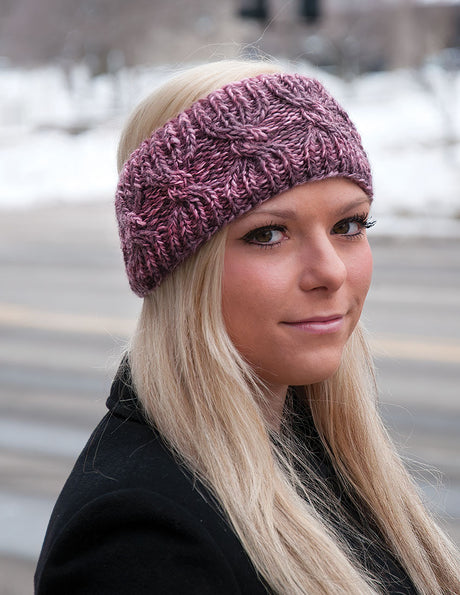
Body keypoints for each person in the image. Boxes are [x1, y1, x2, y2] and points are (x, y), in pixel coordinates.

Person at [35, 60, 460, 594]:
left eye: (349, 225)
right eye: (268, 234)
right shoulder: (139, 539)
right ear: (181, 268)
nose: (331, 271)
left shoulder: (320, 454)